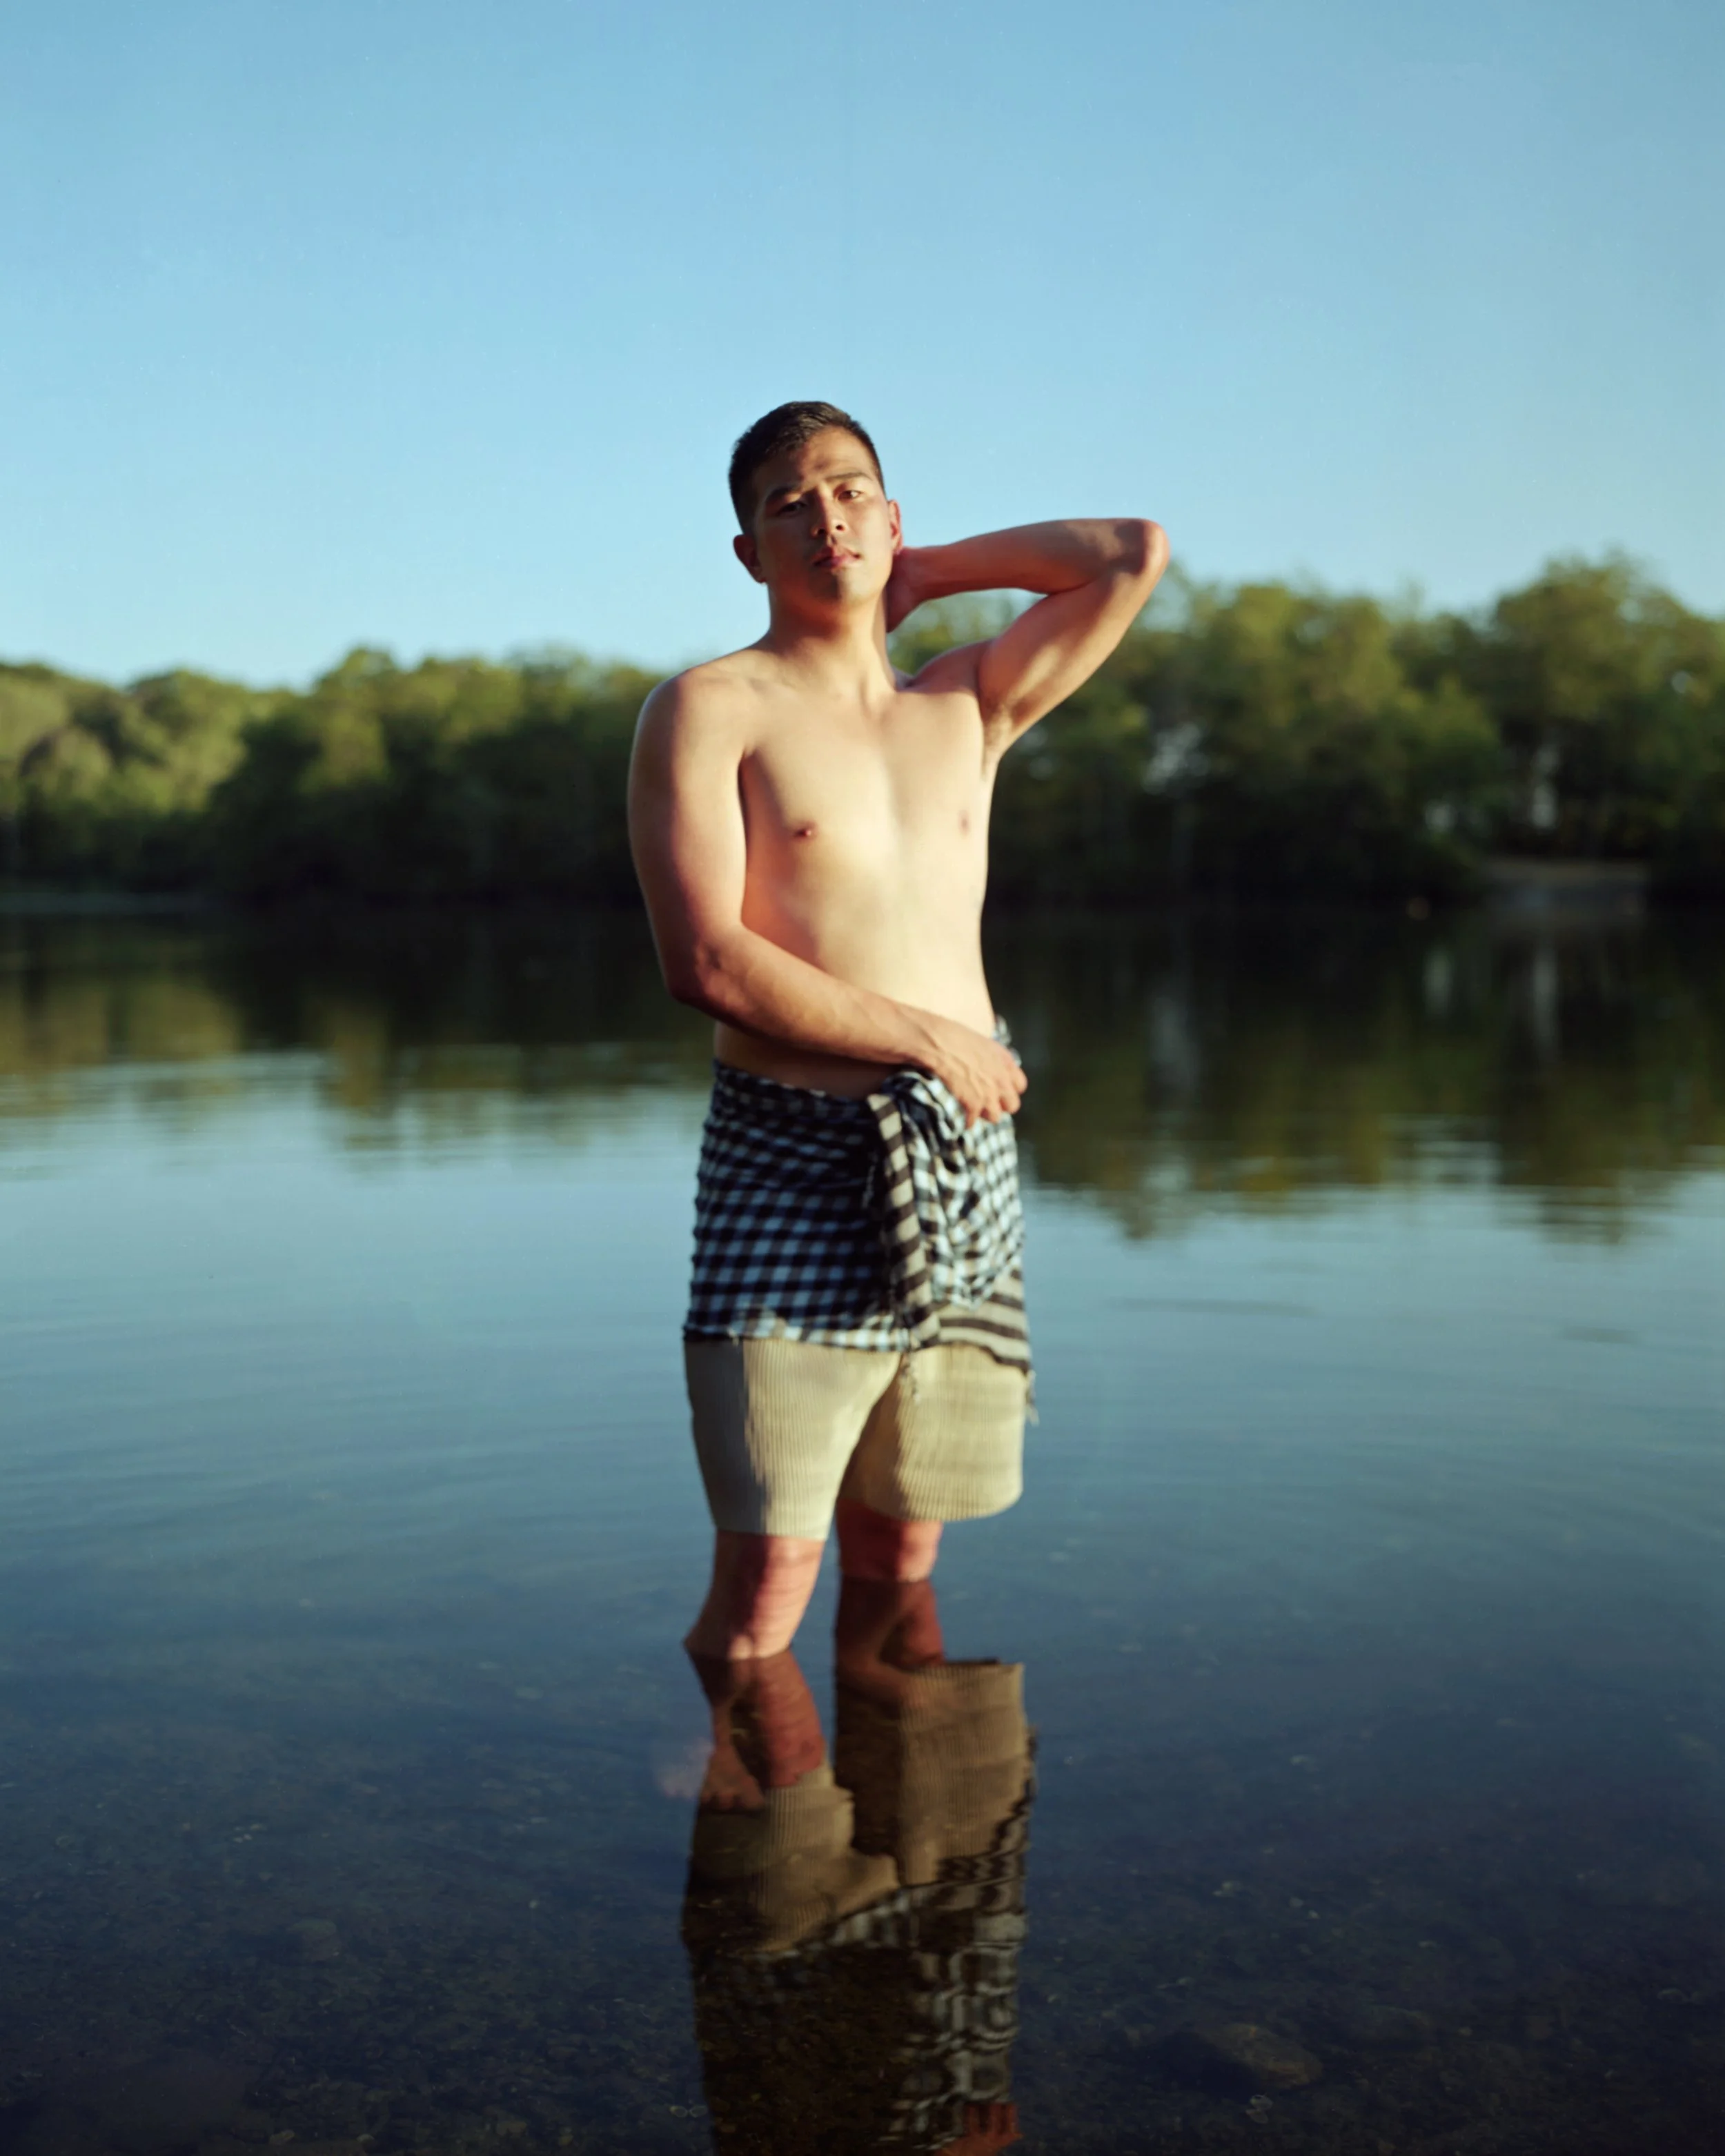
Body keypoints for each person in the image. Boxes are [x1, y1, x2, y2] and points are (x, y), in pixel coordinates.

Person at [628, 399, 1167, 1664]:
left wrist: (924, 577)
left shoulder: (966, 708)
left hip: (960, 1161)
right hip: (791, 1163)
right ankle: (754, 1820)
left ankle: (912, 1813)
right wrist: (928, 1036)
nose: (826, 518)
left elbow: (1128, 553)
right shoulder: (709, 708)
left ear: (892, 516)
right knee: (768, 1587)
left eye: (851, 491)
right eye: (790, 504)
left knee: (908, 1546)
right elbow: (705, 960)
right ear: (749, 552)